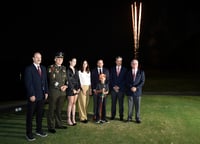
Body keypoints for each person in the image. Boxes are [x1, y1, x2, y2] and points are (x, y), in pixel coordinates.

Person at [24, 52, 48, 141]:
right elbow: (28, 83)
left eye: (40, 57)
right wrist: (31, 94)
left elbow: (45, 82)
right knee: (30, 116)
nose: (39, 59)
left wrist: (46, 92)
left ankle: (39, 130)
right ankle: (28, 133)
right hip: (33, 97)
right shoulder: (29, 69)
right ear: (33, 58)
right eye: (37, 57)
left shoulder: (43, 68)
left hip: (41, 96)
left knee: (40, 115)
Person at [47, 52, 68, 134]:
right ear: (55, 59)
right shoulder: (51, 67)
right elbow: (52, 80)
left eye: (61, 58)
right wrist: (60, 87)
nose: (60, 60)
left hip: (62, 93)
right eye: (58, 58)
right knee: (52, 109)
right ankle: (51, 127)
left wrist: (66, 86)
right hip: (54, 92)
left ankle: (58, 124)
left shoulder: (64, 68)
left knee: (59, 110)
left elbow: (66, 79)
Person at [126, 59, 145, 123]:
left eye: (136, 63)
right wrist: (131, 87)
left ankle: (137, 118)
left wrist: (136, 87)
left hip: (137, 92)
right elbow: (126, 81)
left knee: (137, 106)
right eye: (133, 63)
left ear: (138, 64)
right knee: (130, 105)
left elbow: (142, 82)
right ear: (131, 64)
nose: (134, 65)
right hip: (130, 91)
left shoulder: (141, 72)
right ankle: (129, 118)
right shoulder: (128, 72)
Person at [109, 56, 127, 121]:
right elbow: (110, 79)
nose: (119, 62)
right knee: (113, 103)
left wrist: (119, 87)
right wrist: (114, 86)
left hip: (121, 90)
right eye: (118, 61)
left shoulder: (125, 69)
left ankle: (121, 116)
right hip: (113, 90)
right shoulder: (112, 69)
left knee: (121, 104)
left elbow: (125, 80)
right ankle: (112, 116)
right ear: (115, 61)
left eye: (120, 61)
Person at [66, 58, 81, 126]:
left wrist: (79, 88)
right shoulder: (67, 70)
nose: (74, 62)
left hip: (76, 89)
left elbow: (78, 79)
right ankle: (68, 119)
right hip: (70, 89)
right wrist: (72, 89)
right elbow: (68, 80)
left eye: (75, 61)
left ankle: (73, 118)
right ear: (70, 62)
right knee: (70, 103)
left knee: (74, 103)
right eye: (73, 61)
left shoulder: (76, 70)